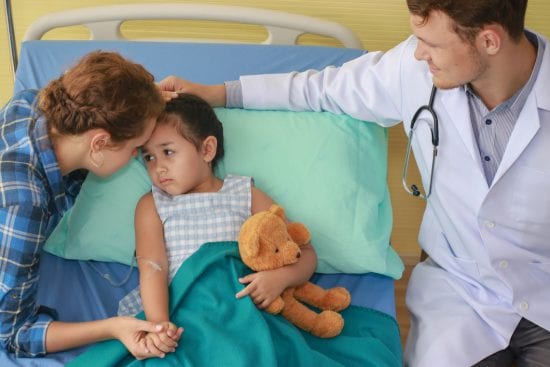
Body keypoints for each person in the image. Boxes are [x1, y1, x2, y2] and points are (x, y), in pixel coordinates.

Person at [157, 1, 550, 366]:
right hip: (463, 290)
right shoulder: (414, 72)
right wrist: (218, 93)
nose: (418, 54)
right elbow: (317, 89)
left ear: (489, 40)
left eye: (431, 43)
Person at [0, 51, 183, 360]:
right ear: (99, 143)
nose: (139, 156)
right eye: (136, 147)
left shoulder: (31, 103)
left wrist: (144, 103)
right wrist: (113, 327)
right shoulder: (25, 206)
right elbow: (13, 334)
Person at [116, 93, 317, 356]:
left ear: (207, 150)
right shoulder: (151, 205)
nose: (159, 168)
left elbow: (306, 254)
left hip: (242, 310)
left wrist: (279, 278)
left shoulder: (245, 193)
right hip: (182, 309)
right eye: (149, 158)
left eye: (168, 152)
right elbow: (153, 267)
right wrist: (158, 326)